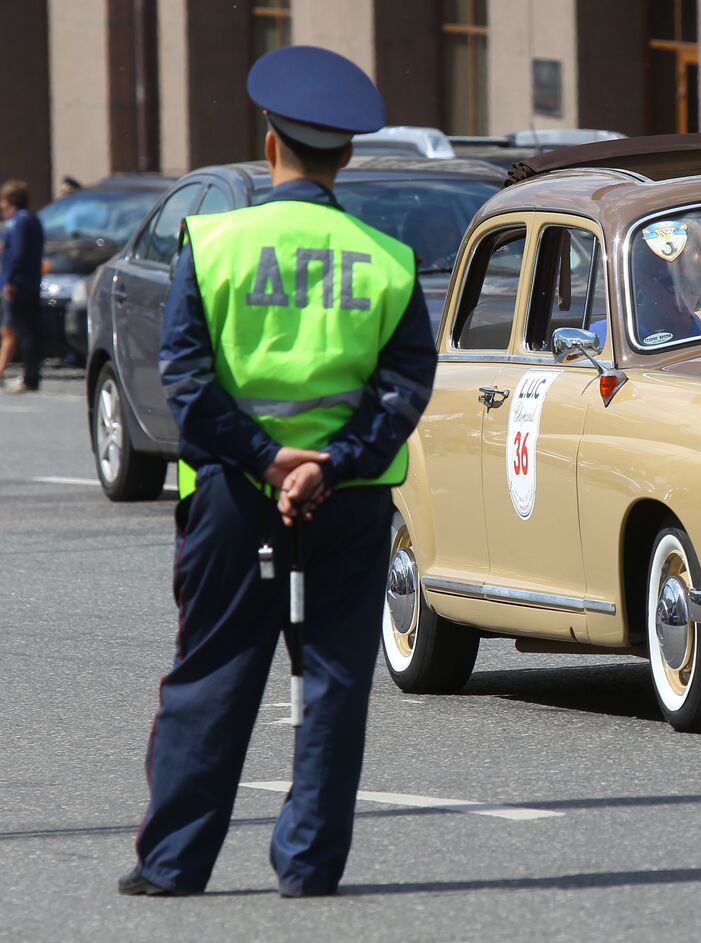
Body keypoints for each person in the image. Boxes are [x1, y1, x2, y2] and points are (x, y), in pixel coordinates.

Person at [118, 45, 437, 899]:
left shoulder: (215, 242)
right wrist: (331, 463)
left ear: (269, 146)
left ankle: (174, 863)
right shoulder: (388, 260)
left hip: (231, 495)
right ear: (349, 156)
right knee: (333, 677)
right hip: (350, 500)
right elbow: (405, 386)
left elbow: (186, 376)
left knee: (213, 672)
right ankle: (309, 864)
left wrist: (266, 459)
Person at [0, 179, 45, 392]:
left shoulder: (19, 221)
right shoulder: (32, 219)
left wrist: (9, 279)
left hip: (20, 283)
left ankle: (29, 378)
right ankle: (31, 375)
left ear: (10, 200)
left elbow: (16, 253)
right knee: (27, 330)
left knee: (25, 331)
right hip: (30, 281)